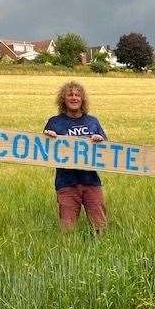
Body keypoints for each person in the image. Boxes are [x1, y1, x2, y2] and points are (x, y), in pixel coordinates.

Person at [44, 81, 108, 233]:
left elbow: (107, 151)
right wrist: (48, 138)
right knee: (67, 229)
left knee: (100, 226)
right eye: (70, 95)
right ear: (63, 99)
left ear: (82, 99)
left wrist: (100, 140)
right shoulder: (54, 122)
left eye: (78, 95)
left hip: (91, 181)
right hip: (66, 183)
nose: (74, 98)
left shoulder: (92, 121)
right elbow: (43, 152)